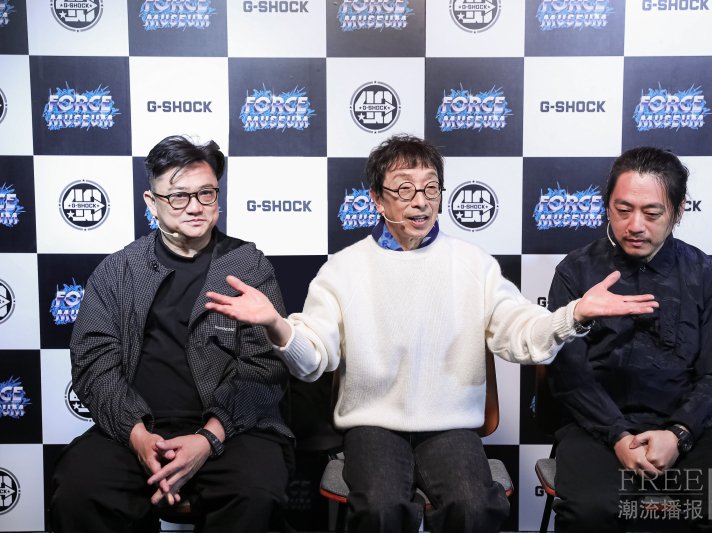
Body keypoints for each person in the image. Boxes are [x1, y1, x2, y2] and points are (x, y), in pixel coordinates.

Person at [205, 134, 658, 533]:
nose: (420, 202)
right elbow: (313, 359)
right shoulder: (343, 269)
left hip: (451, 426)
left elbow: (520, 332)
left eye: (430, 188)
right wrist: (278, 325)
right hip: (372, 425)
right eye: (404, 189)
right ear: (377, 199)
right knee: (381, 510)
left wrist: (574, 314)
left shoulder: (473, 263)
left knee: (474, 507)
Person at [50, 135, 292, 533]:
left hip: (232, 431)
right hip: (135, 430)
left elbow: (264, 368)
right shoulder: (118, 270)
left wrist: (208, 438)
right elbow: (94, 366)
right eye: (178, 196)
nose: (195, 206)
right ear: (152, 202)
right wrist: (139, 438)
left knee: (256, 491)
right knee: (80, 491)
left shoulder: (247, 266)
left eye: (206, 193)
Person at [546, 146, 712, 532]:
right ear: (607, 207)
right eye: (623, 210)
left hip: (686, 430)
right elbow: (569, 376)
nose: (635, 225)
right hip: (597, 430)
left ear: (678, 212)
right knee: (589, 510)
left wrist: (677, 435)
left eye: (652, 213)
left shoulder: (706, 276)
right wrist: (618, 436)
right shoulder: (574, 272)